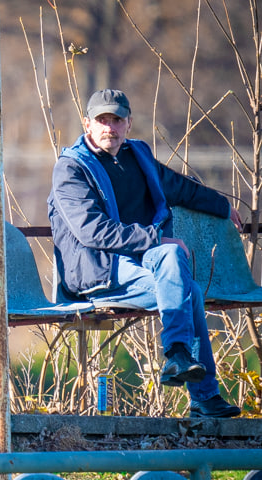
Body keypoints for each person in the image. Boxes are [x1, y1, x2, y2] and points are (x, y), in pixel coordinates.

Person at [49, 88, 242, 418]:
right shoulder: (71, 169)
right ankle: (202, 392)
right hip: (101, 269)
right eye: (102, 120)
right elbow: (91, 231)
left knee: (178, 272)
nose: (110, 126)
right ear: (87, 124)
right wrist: (155, 238)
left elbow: (179, 187)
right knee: (187, 287)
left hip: (144, 263)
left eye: (117, 119)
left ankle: (179, 356)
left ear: (128, 123)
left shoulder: (137, 156)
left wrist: (222, 205)